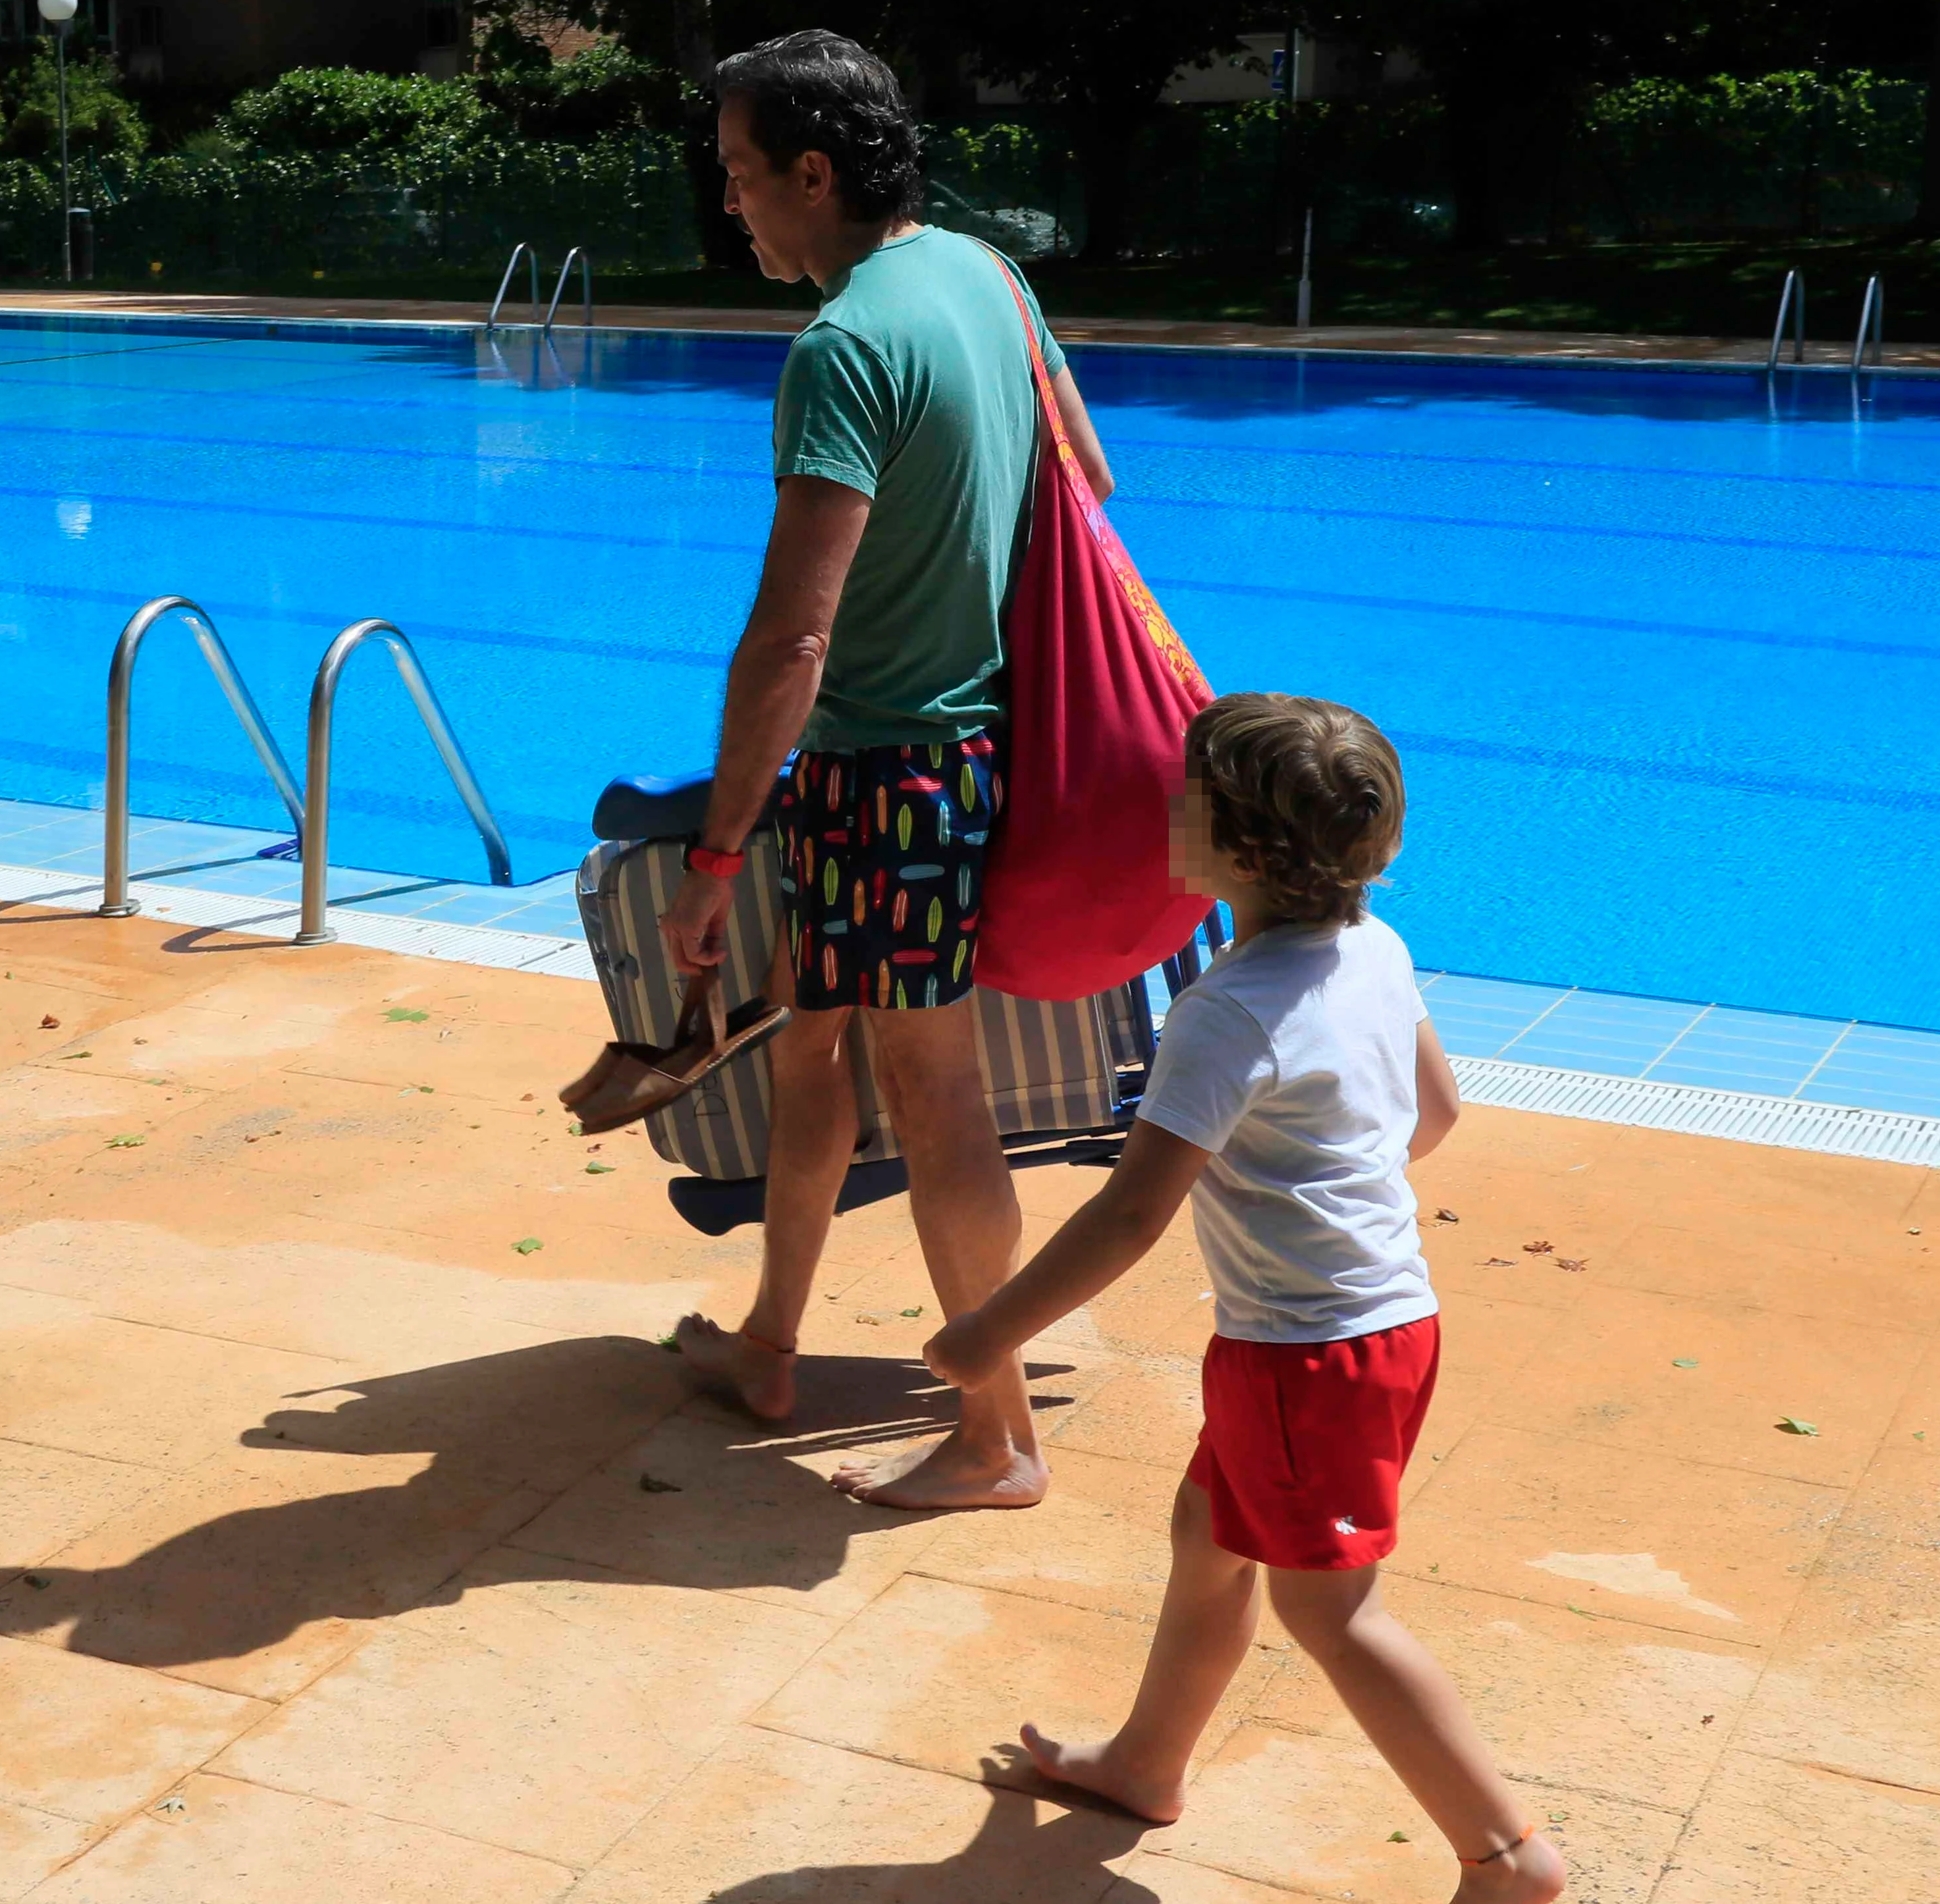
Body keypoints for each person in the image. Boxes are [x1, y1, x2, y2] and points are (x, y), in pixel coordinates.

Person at [918, 695, 1567, 1903]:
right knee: (1208, 1534)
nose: (1167, 803)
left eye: (1186, 791)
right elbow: (1435, 1113)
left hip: (1303, 1356)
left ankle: (1509, 1853)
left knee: (1333, 1613)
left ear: (1238, 848)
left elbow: (1129, 1211)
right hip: (1385, 1324)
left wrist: (988, 1328)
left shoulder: (1219, 1016)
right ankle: (1148, 1759)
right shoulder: (1374, 947)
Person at [659, 28, 1116, 1511]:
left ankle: (994, 1438)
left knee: (931, 1094)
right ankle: (771, 1342)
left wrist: (716, 853)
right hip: (958, 752)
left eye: (740, 175)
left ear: (812, 171)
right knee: (809, 1042)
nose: (730, 205)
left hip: (893, 776)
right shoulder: (987, 277)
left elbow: (790, 638)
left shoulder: (844, 348)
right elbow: (1087, 477)